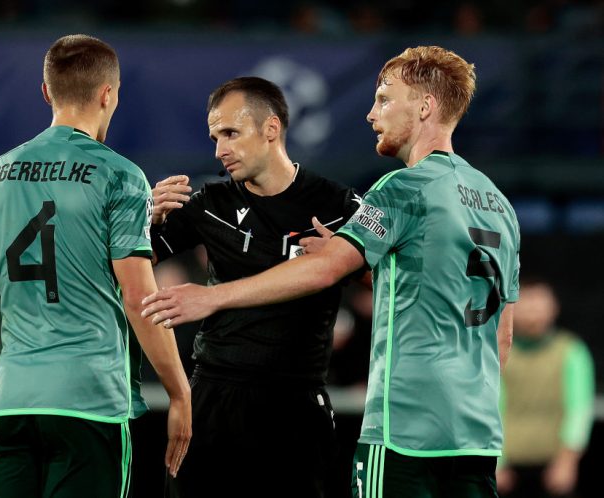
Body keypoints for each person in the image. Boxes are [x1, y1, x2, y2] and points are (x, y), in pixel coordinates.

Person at [143, 46, 521, 498]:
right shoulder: (499, 204)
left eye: (383, 99)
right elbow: (501, 337)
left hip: (399, 426)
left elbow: (323, 271)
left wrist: (213, 296)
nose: (370, 113)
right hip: (474, 432)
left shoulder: (399, 190)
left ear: (425, 107)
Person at [0, 34, 191, 498]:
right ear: (108, 94)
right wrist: (179, 392)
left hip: (12, 404)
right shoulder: (119, 174)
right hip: (91, 403)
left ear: (46, 93)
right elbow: (140, 299)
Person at [150, 76, 362, 498]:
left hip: (296, 405)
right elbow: (123, 261)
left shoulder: (339, 206)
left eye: (230, 133)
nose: (219, 150)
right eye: (214, 137)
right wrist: (143, 220)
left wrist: (347, 258)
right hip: (214, 397)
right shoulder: (209, 204)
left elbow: (395, 273)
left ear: (271, 129)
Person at [496, 277, 595, 498]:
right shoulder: (498, 350)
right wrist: (496, 462)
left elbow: (579, 409)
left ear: (553, 307)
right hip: (506, 471)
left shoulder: (571, 351)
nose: (532, 310)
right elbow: (491, 406)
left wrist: (567, 460)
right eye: (525, 302)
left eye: (539, 302)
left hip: (554, 467)